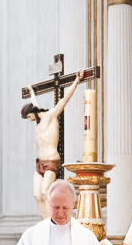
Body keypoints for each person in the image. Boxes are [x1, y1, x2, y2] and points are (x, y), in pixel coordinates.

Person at [22, 70, 85, 219]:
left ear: (33, 113)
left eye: (28, 117)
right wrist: (32, 92)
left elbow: (65, 99)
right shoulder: (38, 121)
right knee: (37, 194)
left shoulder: (51, 115)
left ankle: (50, 221)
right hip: (40, 162)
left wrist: (76, 80)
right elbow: (35, 103)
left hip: (51, 161)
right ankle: (45, 222)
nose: (29, 120)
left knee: (45, 192)